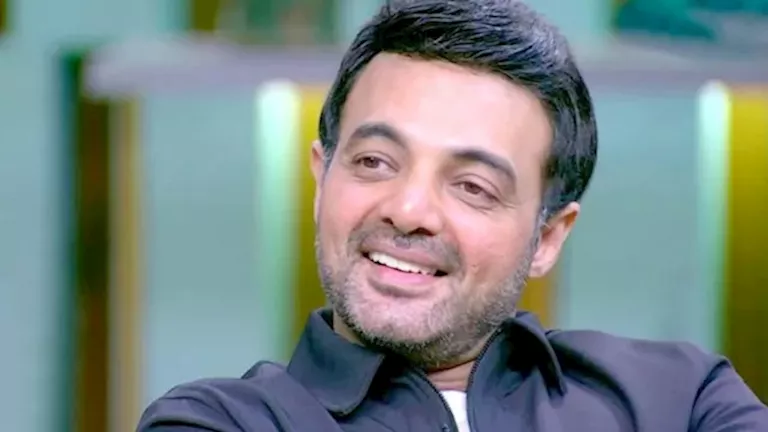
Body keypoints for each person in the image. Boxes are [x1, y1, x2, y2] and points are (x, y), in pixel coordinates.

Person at [137, 0, 768, 431]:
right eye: (375, 162)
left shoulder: (679, 398)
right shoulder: (220, 421)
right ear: (321, 178)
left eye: (472, 187)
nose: (409, 210)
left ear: (548, 237)